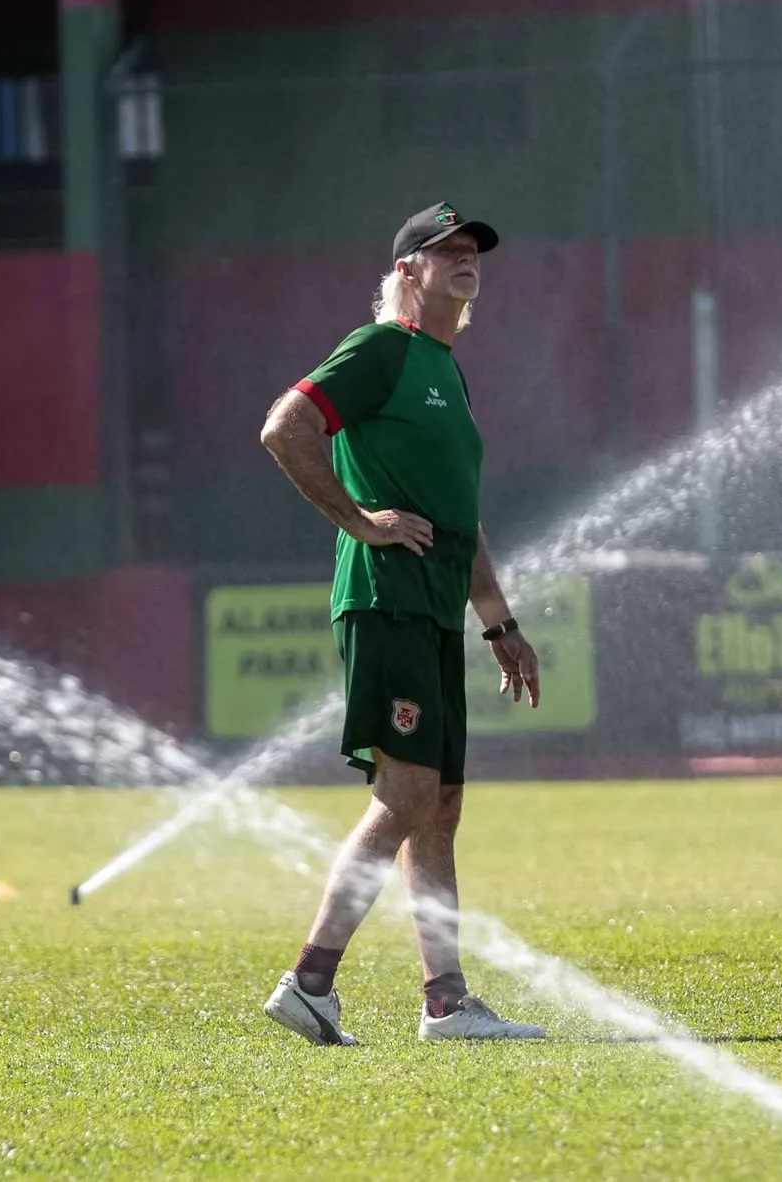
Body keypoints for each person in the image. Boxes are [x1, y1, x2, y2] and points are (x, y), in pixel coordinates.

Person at [260, 201, 543, 1045]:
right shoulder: (382, 348)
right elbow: (285, 428)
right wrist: (359, 520)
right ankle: (311, 982)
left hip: (430, 608)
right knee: (409, 793)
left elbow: (461, 521)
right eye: (444, 248)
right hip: (385, 597)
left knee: (441, 806)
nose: (466, 258)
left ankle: (446, 1002)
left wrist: (500, 625)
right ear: (407, 272)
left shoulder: (446, 369)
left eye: (473, 249)